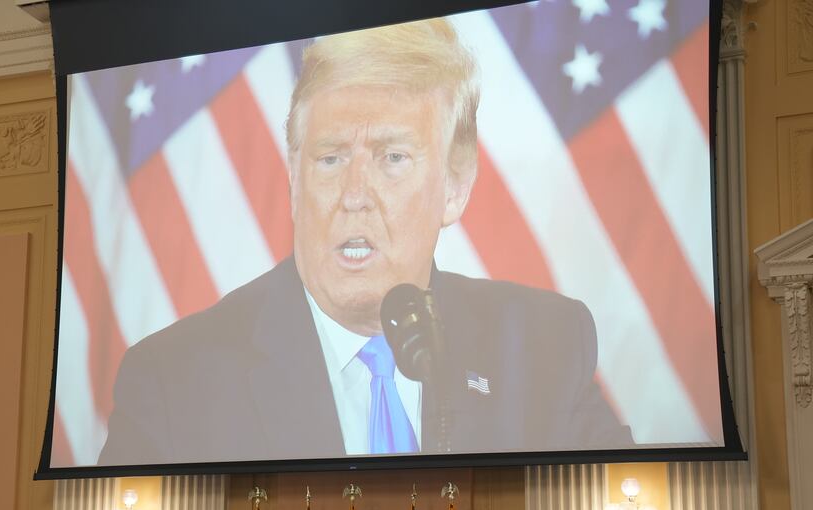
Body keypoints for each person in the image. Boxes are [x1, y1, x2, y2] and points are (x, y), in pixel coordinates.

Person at [98, 17, 633, 466]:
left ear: (455, 186)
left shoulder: (545, 347)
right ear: (293, 175)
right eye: (330, 158)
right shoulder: (173, 383)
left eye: (392, 158)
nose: (354, 196)